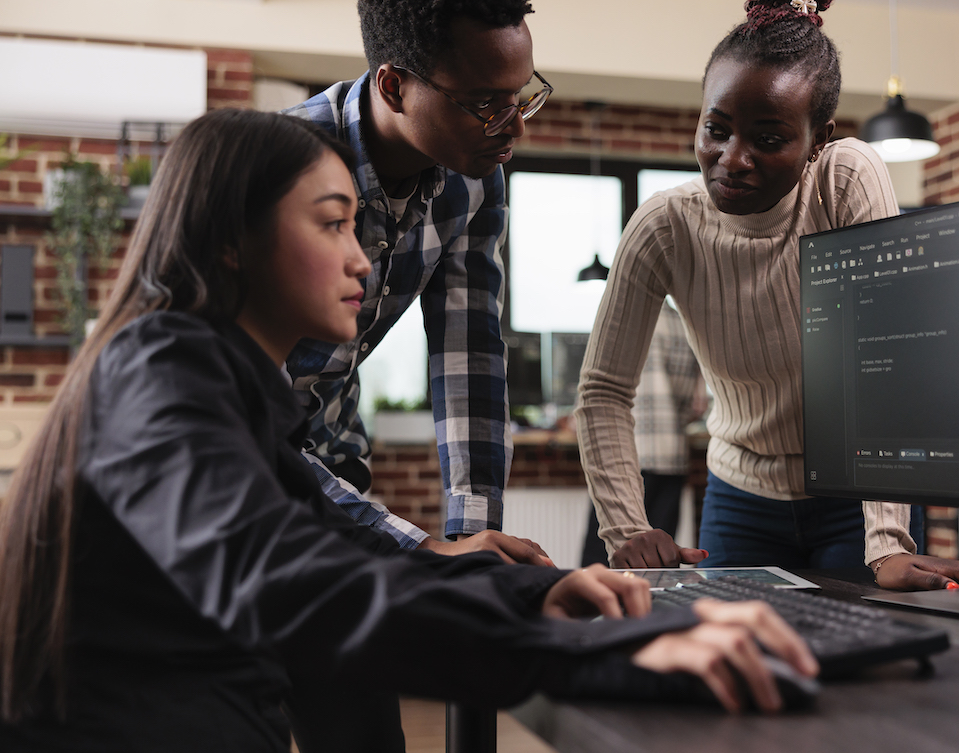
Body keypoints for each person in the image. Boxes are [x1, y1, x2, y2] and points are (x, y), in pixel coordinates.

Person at [0, 110, 818, 752]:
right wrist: (594, 653)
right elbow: (282, 576)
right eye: (331, 224)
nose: (363, 260)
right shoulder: (161, 369)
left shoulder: (227, 393)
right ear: (229, 242)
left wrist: (538, 590)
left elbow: (336, 550)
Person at [576, 0, 959, 591]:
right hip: (740, 498)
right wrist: (625, 526)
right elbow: (604, 390)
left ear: (817, 138)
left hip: (856, 494)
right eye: (716, 129)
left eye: (767, 138)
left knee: (865, 667)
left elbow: (886, 363)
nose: (732, 159)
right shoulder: (665, 226)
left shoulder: (843, 180)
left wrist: (887, 543)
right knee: (742, 667)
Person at [283, 0, 549, 563]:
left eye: (521, 96)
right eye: (486, 103)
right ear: (394, 86)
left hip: (335, 463)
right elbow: (243, 414)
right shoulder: (282, 168)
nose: (513, 128)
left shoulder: (475, 177)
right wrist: (424, 548)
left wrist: (471, 544)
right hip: (242, 463)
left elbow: (469, 352)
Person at [581, 302, 706, 566]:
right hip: (672, 455)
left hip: (622, 454)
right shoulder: (683, 323)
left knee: (602, 564)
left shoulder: (621, 317)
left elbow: (597, 388)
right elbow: (693, 405)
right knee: (659, 565)